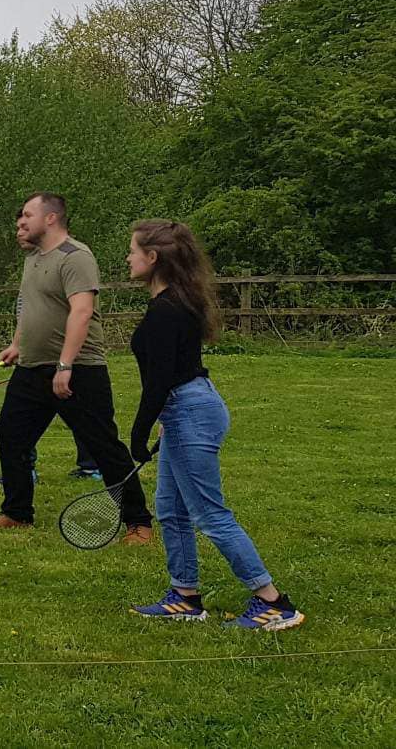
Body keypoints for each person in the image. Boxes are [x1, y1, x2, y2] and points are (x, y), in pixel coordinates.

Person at [125, 220, 302, 630]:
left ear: (153, 257)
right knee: (171, 510)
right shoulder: (173, 302)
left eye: (133, 251)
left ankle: (274, 602)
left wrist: (139, 431)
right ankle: (184, 596)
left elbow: (160, 379)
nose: (128, 258)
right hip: (184, 408)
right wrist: (164, 421)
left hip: (188, 409)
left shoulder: (166, 309)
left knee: (209, 514)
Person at [0, 193, 153, 541]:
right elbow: (31, 307)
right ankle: (16, 513)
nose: (21, 222)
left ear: (51, 218)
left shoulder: (76, 256)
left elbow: (82, 312)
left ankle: (139, 523)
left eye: (28, 215)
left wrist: (65, 365)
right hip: (31, 369)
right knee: (10, 435)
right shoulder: (34, 258)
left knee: (103, 447)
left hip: (79, 370)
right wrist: (17, 344)